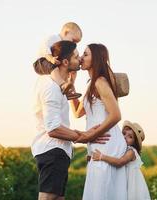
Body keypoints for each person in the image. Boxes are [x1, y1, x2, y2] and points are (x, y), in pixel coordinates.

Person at [31, 40, 98, 200]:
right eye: (76, 56)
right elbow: (53, 128)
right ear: (66, 62)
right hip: (53, 150)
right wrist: (82, 136)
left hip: (58, 151)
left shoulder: (59, 87)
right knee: (47, 198)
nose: (79, 59)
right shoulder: (51, 87)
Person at [69, 43, 128, 200]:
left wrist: (91, 135)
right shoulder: (91, 84)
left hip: (107, 144)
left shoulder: (100, 82)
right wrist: (71, 87)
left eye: (85, 54)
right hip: (97, 143)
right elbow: (77, 112)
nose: (81, 58)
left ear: (96, 60)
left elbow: (116, 115)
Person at [92, 120, 151, 200]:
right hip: (123, 179)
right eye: (124, 133)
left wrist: (101, 157)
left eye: (130, 137)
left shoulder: (131, 152)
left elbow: (119, 162)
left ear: (134, 143)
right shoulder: (122, 149)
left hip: (131, 183)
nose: (125, 137)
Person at [34, 22, 82, 99]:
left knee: (73, 69)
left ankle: (70, 90)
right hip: (42, 62)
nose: (73, 43)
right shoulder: (53, 38)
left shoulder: (64, 45)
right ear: (66, 32)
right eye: (73, 40)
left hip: (52, 61)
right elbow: (45, 49)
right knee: (53, 67)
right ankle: (62, 85)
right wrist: (51, 58)